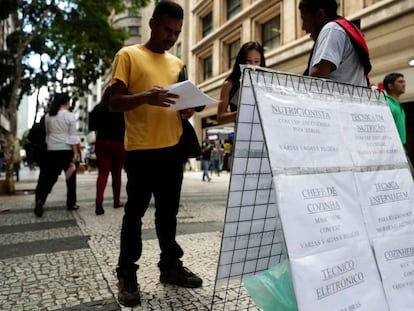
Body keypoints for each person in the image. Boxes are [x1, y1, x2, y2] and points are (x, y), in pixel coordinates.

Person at [108, 1, 202, 308]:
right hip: (140, 151)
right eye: (166, 29)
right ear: (152, 23)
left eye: (177, 32)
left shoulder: (177, 64)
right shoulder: (129, 55)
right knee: (134, 214)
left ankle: (170, 267)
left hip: (172, 150)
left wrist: (187, 109)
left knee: (168, 214)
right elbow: (113, 103)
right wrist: (145, 97)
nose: (171, 37)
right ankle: (127, 273)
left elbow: (181, 104)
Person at [299, 0, 370, 87]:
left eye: (304, 19)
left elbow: (317, 78)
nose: (303, 27)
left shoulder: (332, 29)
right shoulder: (343, 29)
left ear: (320, 15)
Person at [34, 93, 80, 217]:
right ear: (65, 102)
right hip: (66, 150)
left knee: (48, 178)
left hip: (51, 150)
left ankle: (40, 200)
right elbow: (72, 136)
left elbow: (48, 135)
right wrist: (75, 153)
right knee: (71, 178)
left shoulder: (48, 117)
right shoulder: (70, 116)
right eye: (69, 101)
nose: (70, 103)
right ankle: (71, 203)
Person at [89, 87, 126, 215]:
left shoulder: (98, 108)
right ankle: (117, 201)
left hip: (102, 142)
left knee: (103, 173)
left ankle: (99, 202)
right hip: (119, 143)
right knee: (117, 173)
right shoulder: (122, 109)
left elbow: (91, 126)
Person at [217, 41, 266, 124]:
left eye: (257, 61)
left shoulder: (267, 81)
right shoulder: (229, 84)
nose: (252, 65)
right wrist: (243, 113)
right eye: (248, 61)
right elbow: (220, 118)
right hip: (243, 133)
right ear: (241, 61)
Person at [383, 73, 407, 146]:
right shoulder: (384, 103)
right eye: (400, 82)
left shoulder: (398, 104)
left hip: (401, 147)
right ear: (390, 86)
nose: (404, 84)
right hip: (391, 148)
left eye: (404, 82)